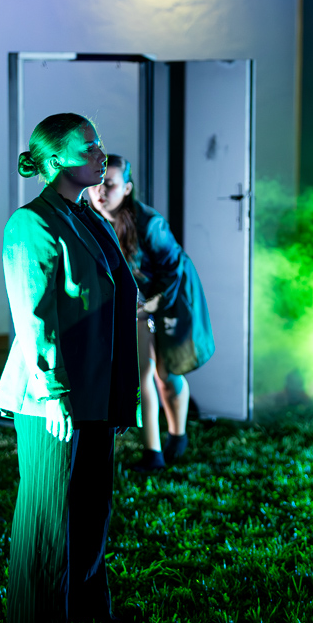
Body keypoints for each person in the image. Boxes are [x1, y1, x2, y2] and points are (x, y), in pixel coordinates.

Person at [0, 114, 140, 623]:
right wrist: (52, 390)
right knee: (49, 505)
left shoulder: (90, 219)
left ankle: (86, 606)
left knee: (92, 503)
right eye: (89, 147)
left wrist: (119, 394)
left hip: (96, 389)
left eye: (100, 145)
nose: (101, 155)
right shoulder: (30, 224)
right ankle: (37, 616)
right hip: (53, 394)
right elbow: (33, 316)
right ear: (55, 160)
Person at [89, 155, 215, 471]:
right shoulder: (90, 219)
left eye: (110, 184)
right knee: (143, 371)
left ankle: (178, 435)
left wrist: (147, 306)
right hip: (137, 302)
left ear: (127, 188)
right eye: (96, 183)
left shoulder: (149, 223)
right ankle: (153, 453)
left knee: (167, 372)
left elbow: (173, 271)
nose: (100, 191)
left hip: (171, 295)